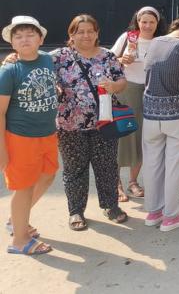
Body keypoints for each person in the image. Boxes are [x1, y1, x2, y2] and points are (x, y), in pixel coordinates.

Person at [53, 15, 129, 231]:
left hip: (104, 123)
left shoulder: (107, 56)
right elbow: (33, 62)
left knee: (107, 166)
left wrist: (115, 86)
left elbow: (122, 80)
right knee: (74, 169)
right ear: (71, 34)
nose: (86, 35)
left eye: (90, 31)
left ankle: (111, 205)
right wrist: (13, 58)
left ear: (97, 33)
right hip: (70, 125)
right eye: (80, 31)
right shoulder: (59, 57)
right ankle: (76, 211)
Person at [1, 16, 58, 255]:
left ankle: (17, 220)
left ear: (41, 39)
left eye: (30, 35)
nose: (24, 40)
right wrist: (2, 150)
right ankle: (19, 240)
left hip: (47, 134)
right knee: (24, 187)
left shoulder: (48, 59)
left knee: (47, 176)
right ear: (12, 42)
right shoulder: (9, 71)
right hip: (21, 138)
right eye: (19, 36)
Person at [141, 18, 179, 232]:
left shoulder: (155, 42)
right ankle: (171, 216)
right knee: (175, 164)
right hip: (178, 112)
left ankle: (153, 212)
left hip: (151, 111)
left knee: (152, 163)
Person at [111, 6, 164, 201]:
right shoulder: (128, 38)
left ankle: (133, 181)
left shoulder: (161, 41)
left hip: (152, 92)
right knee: (123, 135)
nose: (147, 25)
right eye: (144, 21)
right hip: (127, 90)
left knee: (143, 137)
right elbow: (108, 60)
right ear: (137, 22)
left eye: (152, 22)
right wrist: (121, 59)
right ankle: (115, 183)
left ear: (157, 23)